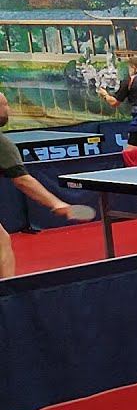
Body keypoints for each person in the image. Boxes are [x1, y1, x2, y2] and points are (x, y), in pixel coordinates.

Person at [0, 92, 82, 278]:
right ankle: (7, 290)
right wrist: (57, 203)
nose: (8, 109)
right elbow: (23, 180)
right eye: (4, 105)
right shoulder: (2, 145)